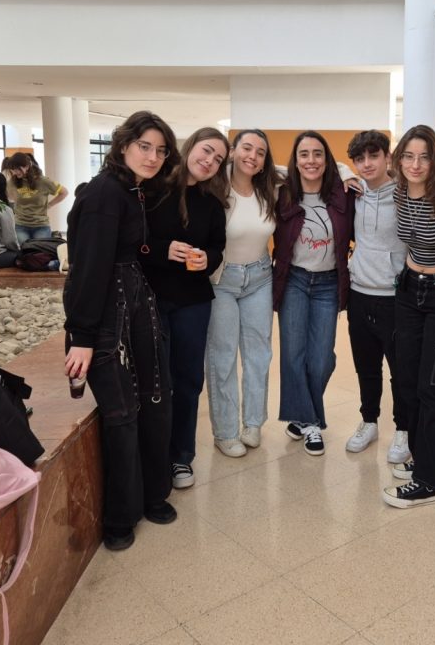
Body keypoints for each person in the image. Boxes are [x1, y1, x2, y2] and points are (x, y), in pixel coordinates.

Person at [62, 110, 179, 551]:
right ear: (124, 144)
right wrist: (83, 337)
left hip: (136, 306)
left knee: (154, 398)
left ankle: (153, 495)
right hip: (105, 315)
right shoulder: (104, 194)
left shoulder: (134, 189)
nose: (152, 156)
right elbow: (88, 268)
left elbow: (132, 251)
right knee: (121, 414)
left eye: (160, 150)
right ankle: (119, 518)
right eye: (145, 146)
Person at [382, 124, 435, 509]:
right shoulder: (399, 190)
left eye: (424, 157)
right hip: (408, 288)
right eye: (409, 156)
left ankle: (430, 482)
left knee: (434, 386)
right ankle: (421, 459)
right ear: (399, 159)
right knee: (408, 380)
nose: (415, 164)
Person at [142, 128, 229, 490]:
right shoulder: (151, 189)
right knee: (155, 381)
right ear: (190, 147)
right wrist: (161, 250)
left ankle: (181, 456)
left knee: (189, 380)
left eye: (218, 159)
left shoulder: (212, 203)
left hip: (193, 301)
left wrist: (207, 258)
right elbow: (135, 240)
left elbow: (217, 248)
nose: (209, 161)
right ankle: (153, 457)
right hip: (151, 299)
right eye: (206, 151)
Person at [273, 131, 355, 456]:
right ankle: (310, 424)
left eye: (318, 153)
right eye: (304, 154)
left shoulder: (343, 195)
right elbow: (263, 167)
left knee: (321, 359)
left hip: (328, 283)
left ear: (327, 159)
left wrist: (345, 170)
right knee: (293, 355)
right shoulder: (282, 193)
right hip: (293, 280)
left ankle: (300, 413)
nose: (311, 160)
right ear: (295, 160)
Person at [205, 129, 282, 458]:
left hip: (260, 277)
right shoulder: (214, 184)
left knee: (258, 355)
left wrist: (348, 174)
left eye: (260, 152)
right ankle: (225, 432)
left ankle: (253, 423)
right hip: (221, 280)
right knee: (222, 357)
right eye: (246, 148)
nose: (252, 156)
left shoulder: (270, 186)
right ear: (233, 151)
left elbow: (312, 168)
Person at [343, 130, 410, 463]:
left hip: (394, 297)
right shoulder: (354, 192)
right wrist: (344, 172)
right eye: (360, 159)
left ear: (387, 157)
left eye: (373, 156)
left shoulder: (406, 194)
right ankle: (369, 422)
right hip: (359, 294)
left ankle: (404, 429)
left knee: (400, 370)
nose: (367, 164)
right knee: (366, 367)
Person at [7, 151, 68, 243]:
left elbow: (64, 192)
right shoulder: (12, 182)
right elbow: (9, 196)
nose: (15, 172)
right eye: (13, 169)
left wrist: (49, 205)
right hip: (20, 225)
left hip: (41, 225)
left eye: (17, 169)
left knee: (40, 251)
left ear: (27, 166)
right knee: (25, 251)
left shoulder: (43, 181)